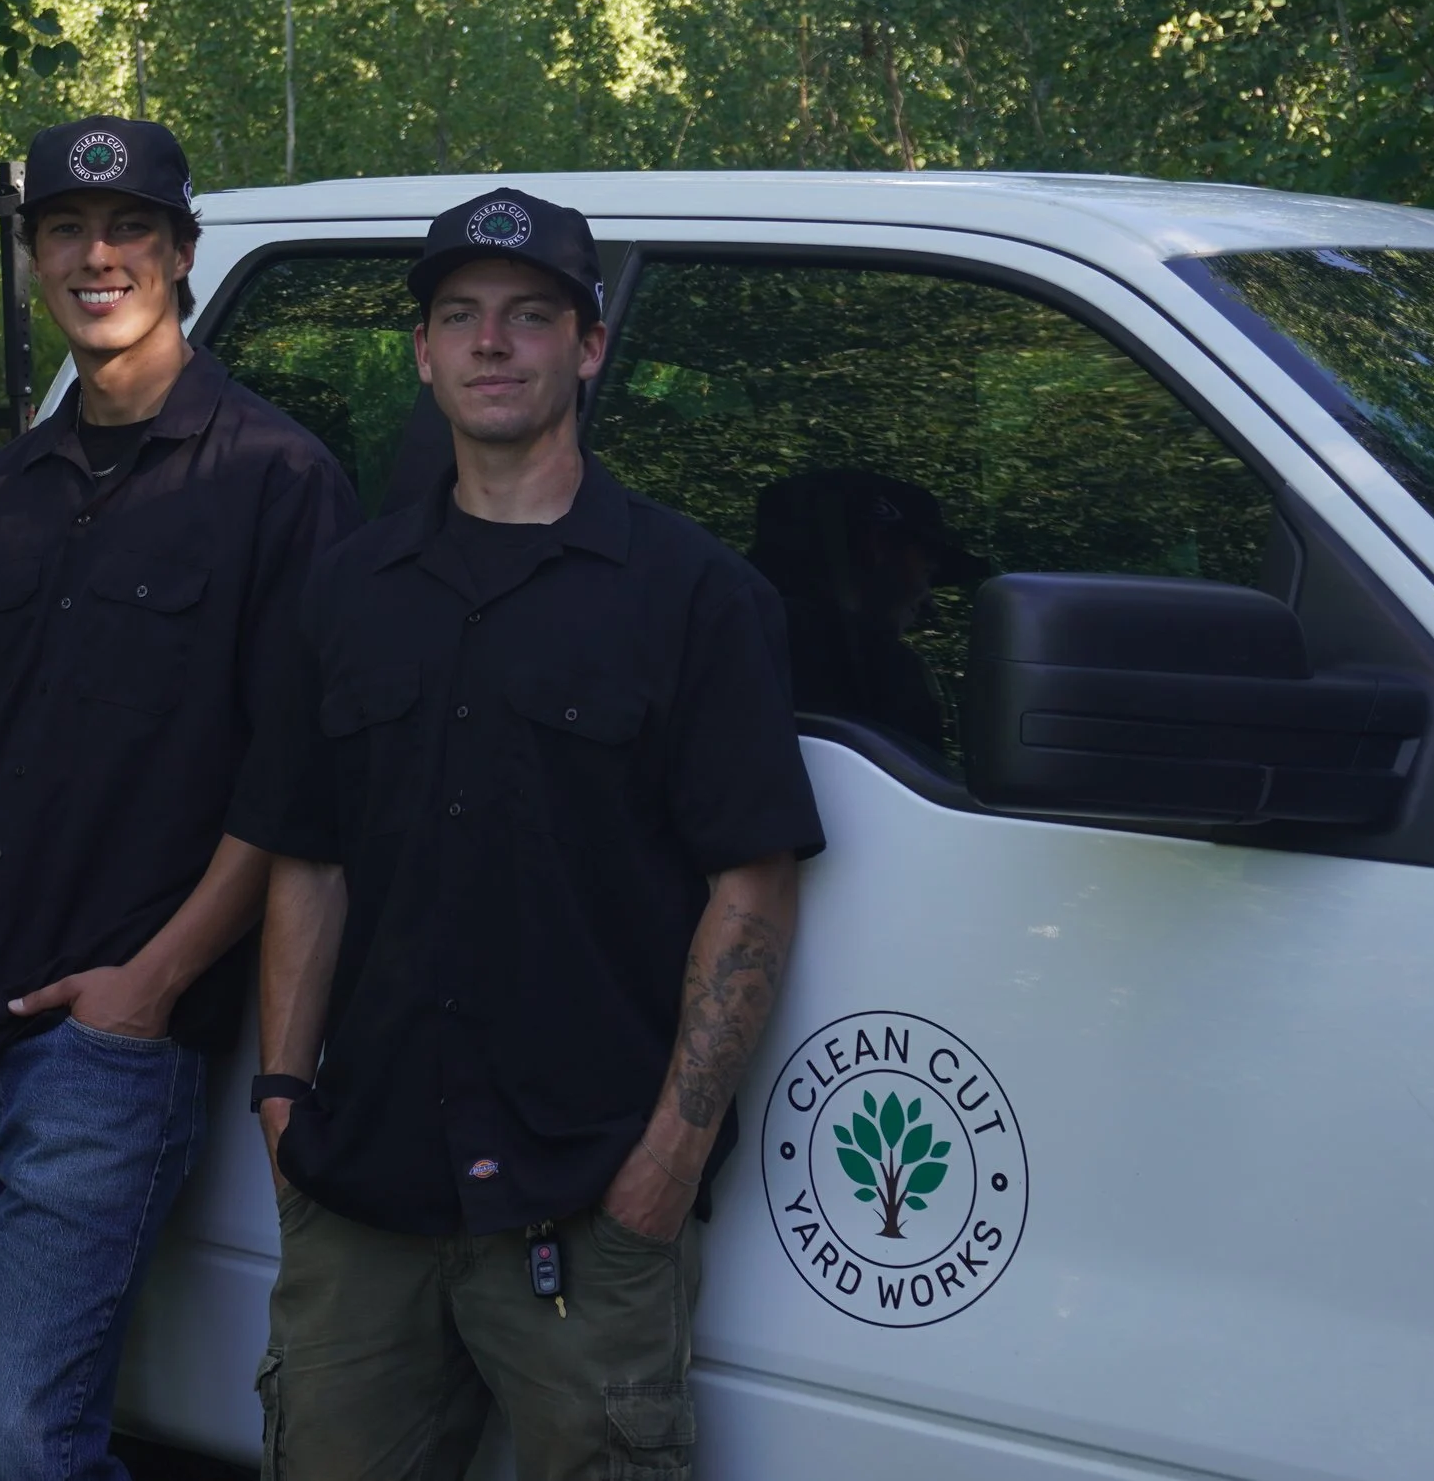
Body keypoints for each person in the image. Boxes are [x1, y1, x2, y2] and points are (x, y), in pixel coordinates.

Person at [231, 188, 826, 1480]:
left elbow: (754, 883)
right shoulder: (345, 589)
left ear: (590, 345)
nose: (493, 342)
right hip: (364, 1189)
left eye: (530, 316)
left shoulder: (696, 596)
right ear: (424, 354)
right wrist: (282, 1097)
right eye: (460, 316)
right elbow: (308, 857)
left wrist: (669, 1153)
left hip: (588, 1191)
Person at [0, 117, 358, 1481]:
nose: (96, 255)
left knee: (27, 1438)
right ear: (34, 260)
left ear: (183, 255)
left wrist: (150, 988)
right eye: (65, 230)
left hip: (97, 1051)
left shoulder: (280, 483)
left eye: (129, 229)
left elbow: (292, 791)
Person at [745, 468, 989, 759]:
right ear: (878, 548)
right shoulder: (879, 671)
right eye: (927, 571)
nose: (929, 605)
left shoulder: (715, 639)